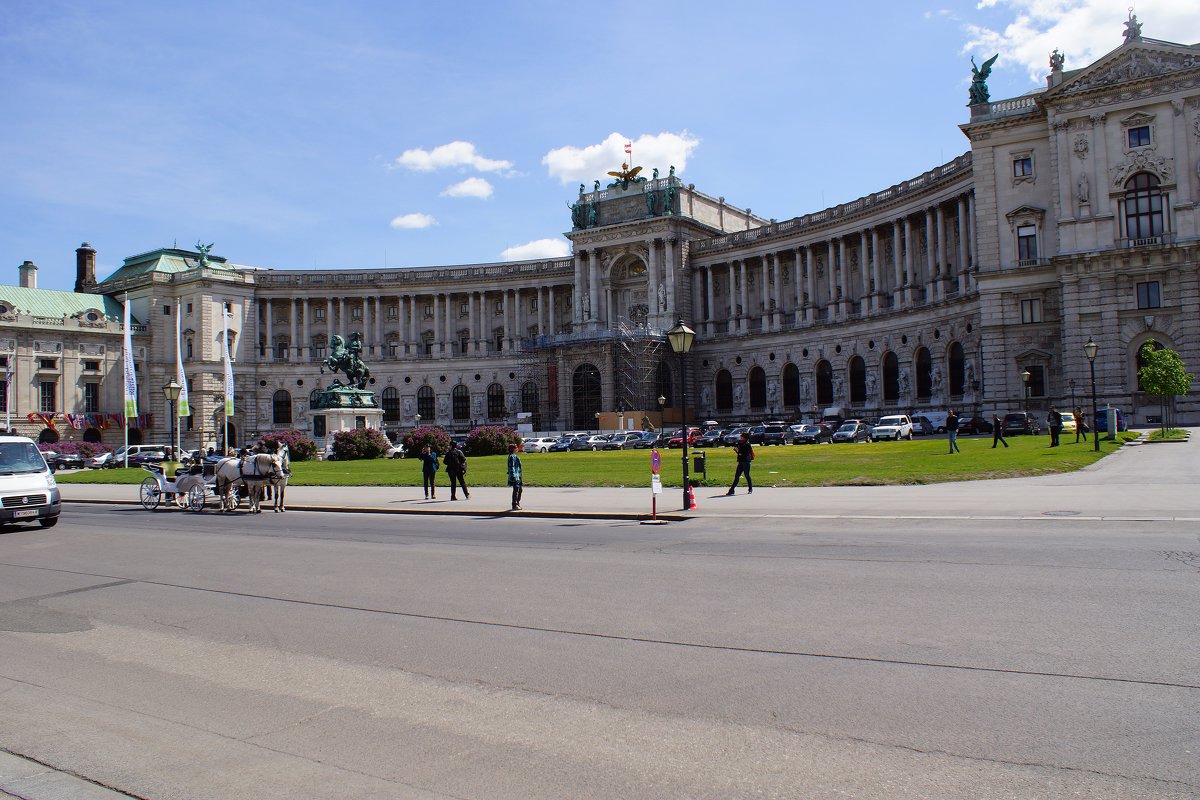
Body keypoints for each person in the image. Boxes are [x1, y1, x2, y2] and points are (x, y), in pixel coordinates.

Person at [506, 443, 523, 510]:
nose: (517, 449)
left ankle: (517, 503)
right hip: (515, 476)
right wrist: (513, 475)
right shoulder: (512, 457)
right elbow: (511, 466)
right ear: (513, 449)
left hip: (518, 475)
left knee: (520, 490)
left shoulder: (514, 456)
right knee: (516, 490)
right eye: (516, 448)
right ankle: (514, 504)